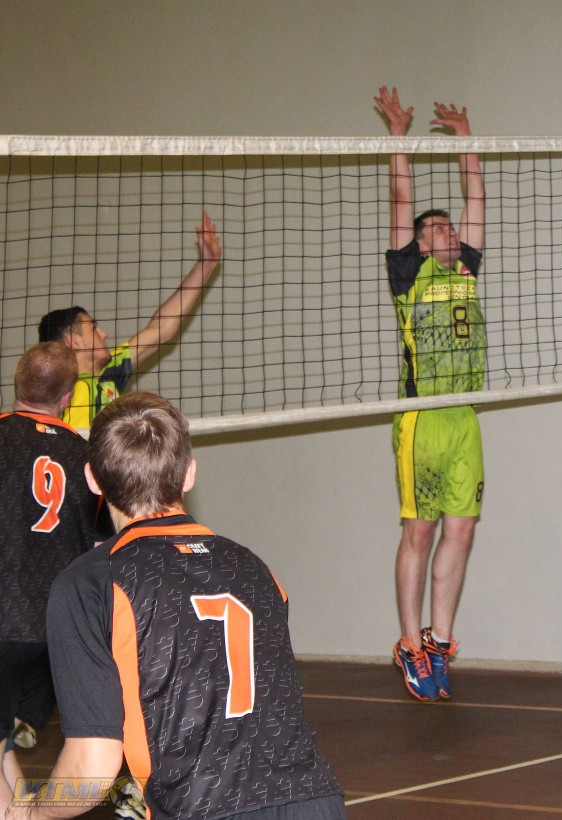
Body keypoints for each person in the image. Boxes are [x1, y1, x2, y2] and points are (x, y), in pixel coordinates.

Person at [6, 392, 347, 819]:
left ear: (91, 478)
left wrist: (33, 812)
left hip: (200, 807)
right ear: (189, 475)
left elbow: (93, 766)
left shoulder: (91, 584)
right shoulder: (256, 569)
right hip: (316, 800)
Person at [374, 86, 486, 701]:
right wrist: (399, 136)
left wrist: (466, 139)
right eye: (436, 228)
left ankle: (439, 640)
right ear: (419, 243)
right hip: (421, 419)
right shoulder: (408, 275)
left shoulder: (465, 267)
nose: (447, 231)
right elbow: (401, 198)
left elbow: (476, 196)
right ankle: (408, 643)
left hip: (463, 416)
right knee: (418, 532)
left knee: (460, 531)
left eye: (449, 226)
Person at [0, 343, 99, 813]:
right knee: (5, 744)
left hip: (4, 619)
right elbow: (102, 546)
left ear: (16, 383)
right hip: (61, 629)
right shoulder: (87, 457)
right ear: (67, 396)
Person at [37, 211, 222, 430]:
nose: (104, 334)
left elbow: (161, 328)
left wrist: (207, 264)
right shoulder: (59, 389)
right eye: (93, 328)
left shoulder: (107, 373)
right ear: (73, 341)